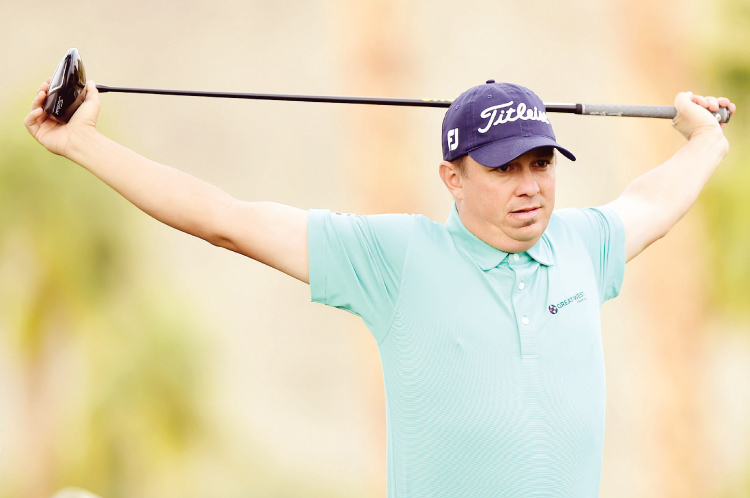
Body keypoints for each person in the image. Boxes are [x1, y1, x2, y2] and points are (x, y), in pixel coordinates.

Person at [25, 78, 735, 497]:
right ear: (452, 178)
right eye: (505, 168)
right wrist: (79, 141)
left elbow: (654, 203)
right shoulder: (396, 258)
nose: (531, 187)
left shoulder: (583, 243)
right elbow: (227, 221)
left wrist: (704, 138)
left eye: (542, 163)